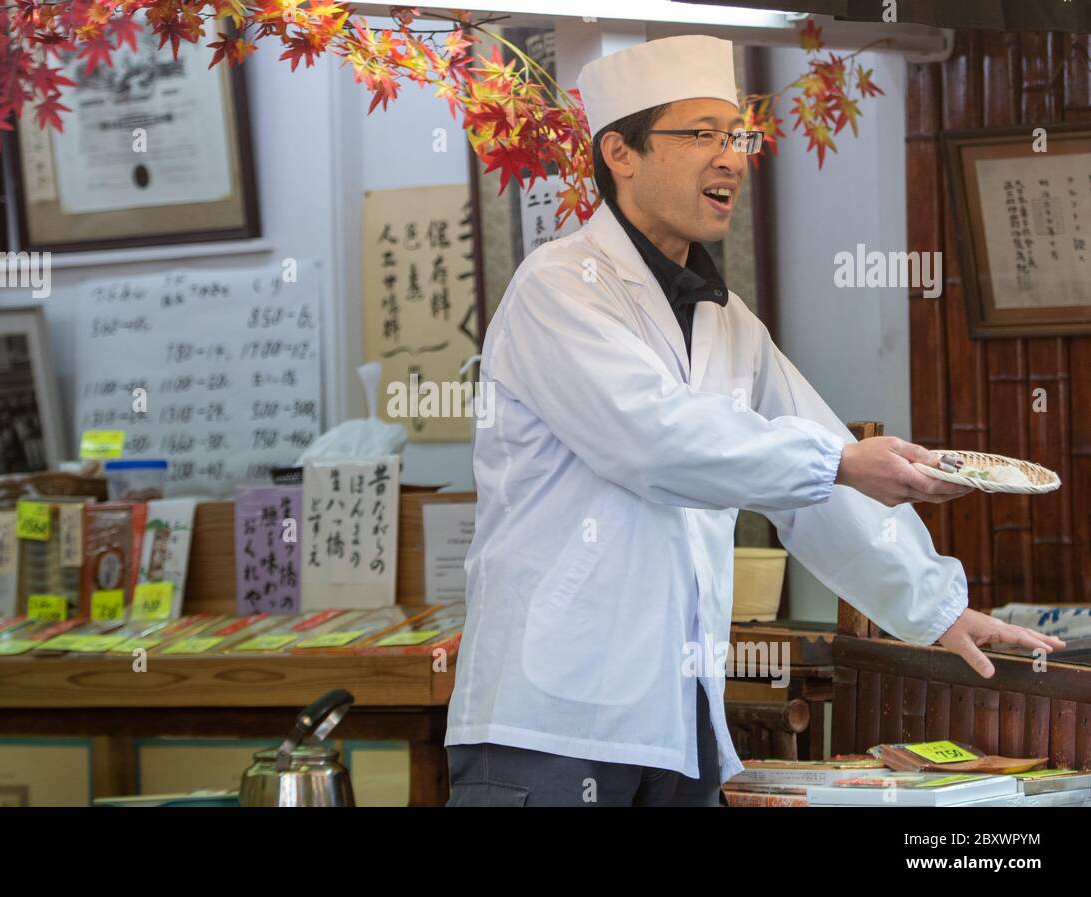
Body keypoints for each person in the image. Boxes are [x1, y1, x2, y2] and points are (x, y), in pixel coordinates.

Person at [443, 34, 1064, 807]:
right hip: (549, 724)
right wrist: (841, 462)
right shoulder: (559, 287)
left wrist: (935, 607)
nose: (731, 158)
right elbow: (655, 440)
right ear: (620, 152)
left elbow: (820, 476)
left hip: (679, 721)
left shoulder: (728, 321)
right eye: (701, 135)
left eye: (736, 135)